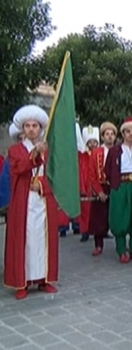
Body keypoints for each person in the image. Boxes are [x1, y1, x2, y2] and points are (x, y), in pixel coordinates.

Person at [4, 105, 58, 300]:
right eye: (27, 126)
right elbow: (20, 168)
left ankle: (44, 279)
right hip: (23, 202)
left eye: (35, 125)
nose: (31, 129)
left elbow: (54, 176)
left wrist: (42, 185)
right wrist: (36, 154)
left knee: (43, 239)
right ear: (22, 129)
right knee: (24, 240)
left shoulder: (48, 150)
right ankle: (22, 282)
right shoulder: (15, 150)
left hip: (43, 200)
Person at [105, 117, 132, 263]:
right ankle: (122, 250)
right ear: (123, 134)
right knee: (120, 217)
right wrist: (116, 185)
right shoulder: (114, 151)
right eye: (127, 131)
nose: (131, 134)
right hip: (121, 186)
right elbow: (107, 170)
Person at [88, 122, 117, 256]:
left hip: (115, 186)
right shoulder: (96, 153)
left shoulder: (119, 151)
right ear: (102, 136)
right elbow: (92, 173)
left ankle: (120, 245)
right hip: (101, 186)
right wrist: (99, 191)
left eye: (112, 134)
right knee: (99, 218)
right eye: (107, 134)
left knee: (118, 217)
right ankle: (98, 245)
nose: (110, 137)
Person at [77, 126, 99, 243]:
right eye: (90, 142)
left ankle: (98, 231)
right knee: (85, 210)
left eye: (94, 142)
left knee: (97, 210)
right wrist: (81, 187)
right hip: (86, 185)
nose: (92, 144)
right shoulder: (83, 156)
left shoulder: (99, 154)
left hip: (96, 185)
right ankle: (84, 231)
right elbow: (81, 172)